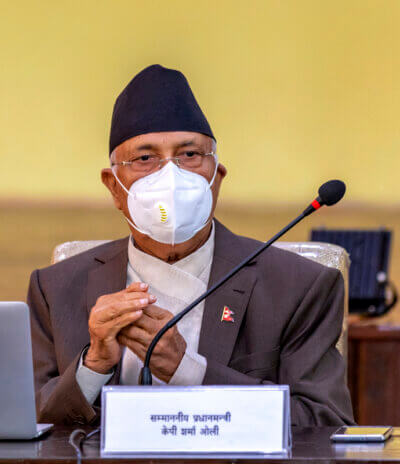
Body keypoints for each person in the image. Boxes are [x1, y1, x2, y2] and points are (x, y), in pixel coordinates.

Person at [27, 65, 354, 426]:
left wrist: (188, 371)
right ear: (114, 187)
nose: (171, 176)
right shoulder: (56, 288)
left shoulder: (298, 287)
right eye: (145, 158)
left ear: (217, 179)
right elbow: (26, 426)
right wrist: (94, 366)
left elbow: (324, 424)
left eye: (189, 155)